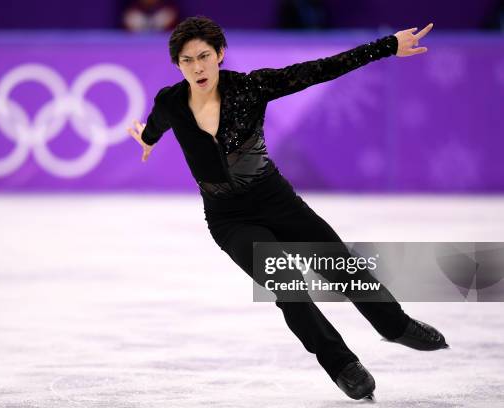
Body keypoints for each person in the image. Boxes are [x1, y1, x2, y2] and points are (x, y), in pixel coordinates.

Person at [127, 16, 446, 401]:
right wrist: (146, 140)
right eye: (187, 60)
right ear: (177, 65)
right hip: (231, 220)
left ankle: (395, 325)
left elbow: (320, 70)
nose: (197, 67)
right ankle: (342, 364)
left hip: (277, 202)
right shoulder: (171, 101)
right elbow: (156, 125)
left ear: (220, 54)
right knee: (288, 284)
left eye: (204, 56)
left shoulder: (251, 87)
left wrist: (388, 46)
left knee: (341, 267)